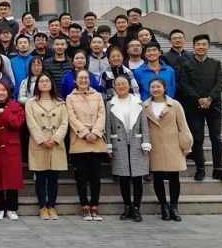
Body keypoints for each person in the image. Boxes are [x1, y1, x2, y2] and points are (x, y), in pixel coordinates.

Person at [144, 78, 193, 221]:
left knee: (174, 177)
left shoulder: (175, 104)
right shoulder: (145, 106)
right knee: (158, 177)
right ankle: (163, 206)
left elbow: (183, 125)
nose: (155, 89)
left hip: (173, 144)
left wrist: (186, 144)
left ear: (164, 88)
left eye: (158, 86)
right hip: (155, 145)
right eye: (153, 87)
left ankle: (174, 207)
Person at [179, 34, 222, 181]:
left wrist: (210, 98)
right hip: (194, 106)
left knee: (216, 137)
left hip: (214, 105)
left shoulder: (216, 63)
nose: (201, 47)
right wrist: (199, 99)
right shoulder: (186, 65)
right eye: (198, 44)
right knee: (197, 137)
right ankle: (200, 168)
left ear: (209, 47)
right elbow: (184, 84)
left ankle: (218, 169)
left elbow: (220, 83)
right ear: (193, 47)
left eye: (204, 44)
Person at [105, 74, 150, 222]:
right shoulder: (110, 104)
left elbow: (144, 125)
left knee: (137, 178)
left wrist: (146, 143)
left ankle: (136, 208)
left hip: (136, 143)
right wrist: (109, 146)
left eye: (124, 83)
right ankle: (127, 207)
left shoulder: (138, 102)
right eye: (118, 84)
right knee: (123, 178)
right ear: (114, 87)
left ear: (129, 85)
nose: (121, 86)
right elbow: (108, 126)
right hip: (119, 144)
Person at [25, 73, 68, 220]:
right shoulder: (31, 102)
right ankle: (43, 207)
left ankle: (52, 206)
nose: (44, 83)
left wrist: (55, 139)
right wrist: (42, 139)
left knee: (53, 177)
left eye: (47, 81)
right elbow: (31, 122)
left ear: (51, 83)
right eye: (41, 81)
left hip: (56, 144)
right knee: (41, 176)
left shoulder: (61, 102)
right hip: (39, 144)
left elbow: (64, 123)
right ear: (37, 84)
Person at [66, 69, 107, 221]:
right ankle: (84, 205)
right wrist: (84, 133)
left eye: (86, 78)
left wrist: (95, 132)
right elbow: (71, 117)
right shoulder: (70, 98)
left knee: (95, 176)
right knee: (81, 176)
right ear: (75, 81)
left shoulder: (97, 96)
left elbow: (102, 115)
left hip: (97, 140)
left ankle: (95, 205)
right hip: (79, 140)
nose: (83, 80)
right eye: (80, 78)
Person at [0, 81, 24, 221]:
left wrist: (4, 113)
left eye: (3, 90)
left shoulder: (16, 107)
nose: (1, 93)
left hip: (11, 147)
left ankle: (12, 208)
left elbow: (17, 124)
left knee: (12, 178)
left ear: (8, 92)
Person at [10, 35, 32, 99]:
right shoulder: (11, 62)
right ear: (16, 46)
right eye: (20, 43)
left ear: (29, 45)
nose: (23, 45)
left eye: (25, 42)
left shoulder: (34, 60)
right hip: (16, 96)